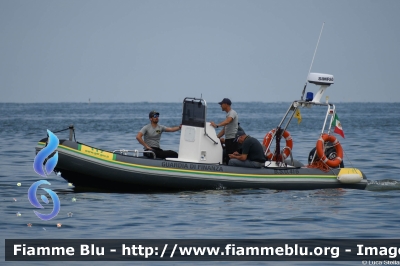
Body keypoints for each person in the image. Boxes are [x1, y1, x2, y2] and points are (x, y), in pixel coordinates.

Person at [210, 98, 238, 164]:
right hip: (228, 139)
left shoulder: (232, 113)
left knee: (231, 156)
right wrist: (216, 138)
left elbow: (227, 121)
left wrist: (217, 125)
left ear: (226, 104)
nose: (220, 106)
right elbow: (224, 130)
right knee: (228, 156)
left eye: (221, 104)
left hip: (233, 139)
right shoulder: (228, 114)